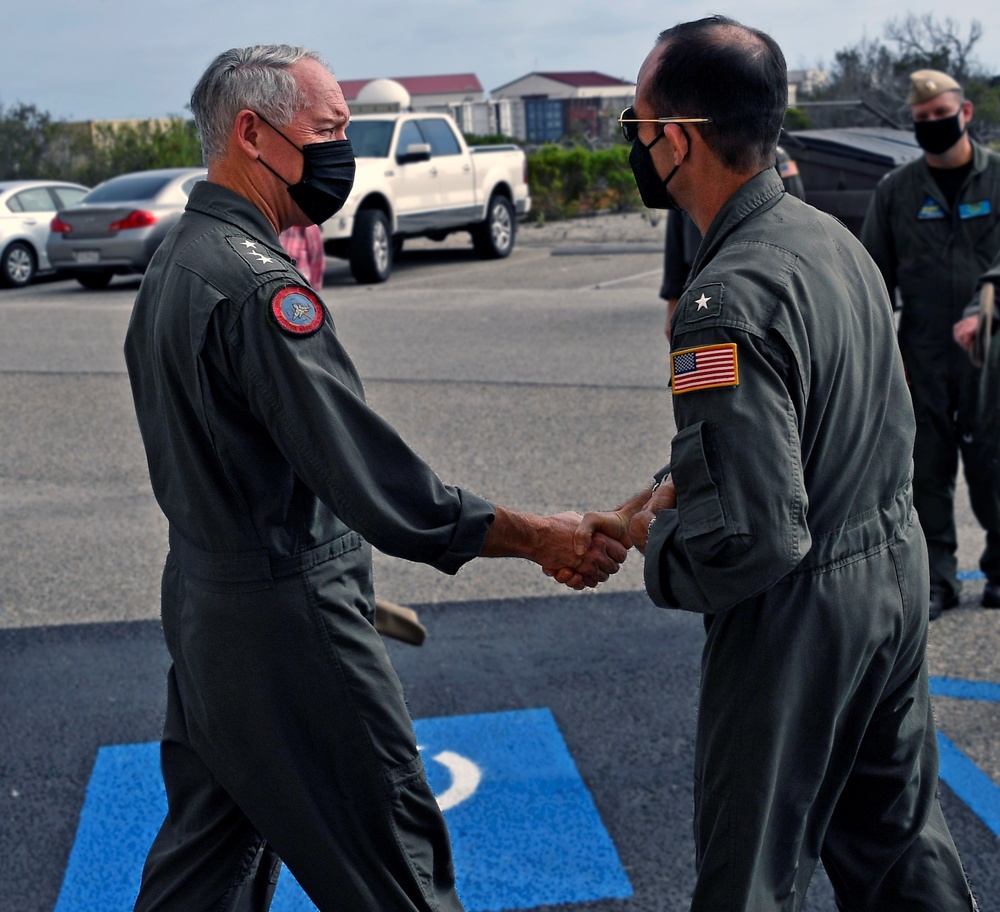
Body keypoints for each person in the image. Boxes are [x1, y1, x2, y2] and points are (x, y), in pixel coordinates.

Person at [123, 45, 625, 912]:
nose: (344, 149)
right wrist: (539, 537)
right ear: (252, 133)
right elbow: (379, 484)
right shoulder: (257, 290)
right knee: (399, 876)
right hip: (290, 631)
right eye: (328, 130)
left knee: (203, 873)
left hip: (210, 615)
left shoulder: (176, 260)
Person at [572, 18, 978, 911]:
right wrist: (672, 484)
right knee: (898, 849)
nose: (637, 147)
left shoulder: (725, 297)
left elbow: (752, 536)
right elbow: (830, 424)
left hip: (799, 616)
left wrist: (659, 544)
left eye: (637, 128)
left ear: (676, 141)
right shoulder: (830, 241)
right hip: (889, 577)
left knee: (750, 876)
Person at [860, 69, 1000, 620]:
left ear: (964, 114)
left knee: (994, 460)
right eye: (922, 121)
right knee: (927, 470)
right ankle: (937, 578)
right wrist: (881, 353)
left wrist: (988, 307)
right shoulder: (897, 191)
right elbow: (873, 276)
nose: (932, 127)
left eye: (941, 117)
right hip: (921, 353)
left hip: (991, 350)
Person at [660, 146, 804, 340]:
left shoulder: (780, 157)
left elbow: (795, 209)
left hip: (760, 281)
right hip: (699, 278)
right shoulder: (690, 159)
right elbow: (675, 235)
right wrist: (673, 299)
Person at [278, 223, 326, 288]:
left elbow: (316, 256)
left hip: (300, 283)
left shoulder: (307, 224)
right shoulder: (275, 221)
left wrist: (315, 284)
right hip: (277, 282)